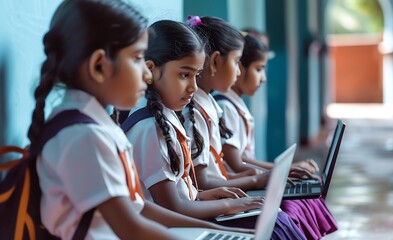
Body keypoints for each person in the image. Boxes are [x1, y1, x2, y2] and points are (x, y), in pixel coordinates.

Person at [31, 1, 251, 239]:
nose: (147, 73)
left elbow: (139, 207)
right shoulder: (84, 136)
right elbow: (131, 228)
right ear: (98, 66)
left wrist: (215, 230)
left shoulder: (96, 126)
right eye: (137, 59)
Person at [124, 20, 265, 222]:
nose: (193, 86)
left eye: (196, 75)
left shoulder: (167, 114)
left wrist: (200, 196)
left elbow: (177, 194)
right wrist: (226, 206)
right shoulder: (149, 127)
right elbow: (172, 208)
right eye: (184, 75)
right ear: (151, 70)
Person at [183, 15, 306, 240]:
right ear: (217, 61)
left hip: (216, 200)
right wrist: (254, 180)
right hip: (207, 209)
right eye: (236, 62)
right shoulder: (194, 111)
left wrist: (253, 178)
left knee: (285, 211)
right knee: (279, 221)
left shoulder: (207, 105)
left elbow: (217, 170)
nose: (238, 72)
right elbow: (202, 183)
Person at [214, 31, 338, 239]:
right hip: (234, 187)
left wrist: (284, 171)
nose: (263, 79)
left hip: (240, 183)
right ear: (240, 67)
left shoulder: (234, 104)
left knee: (306, 197)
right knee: (289, 210)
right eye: (259, 70)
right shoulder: (224, 106)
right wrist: (280, 172)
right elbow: (237, 163)